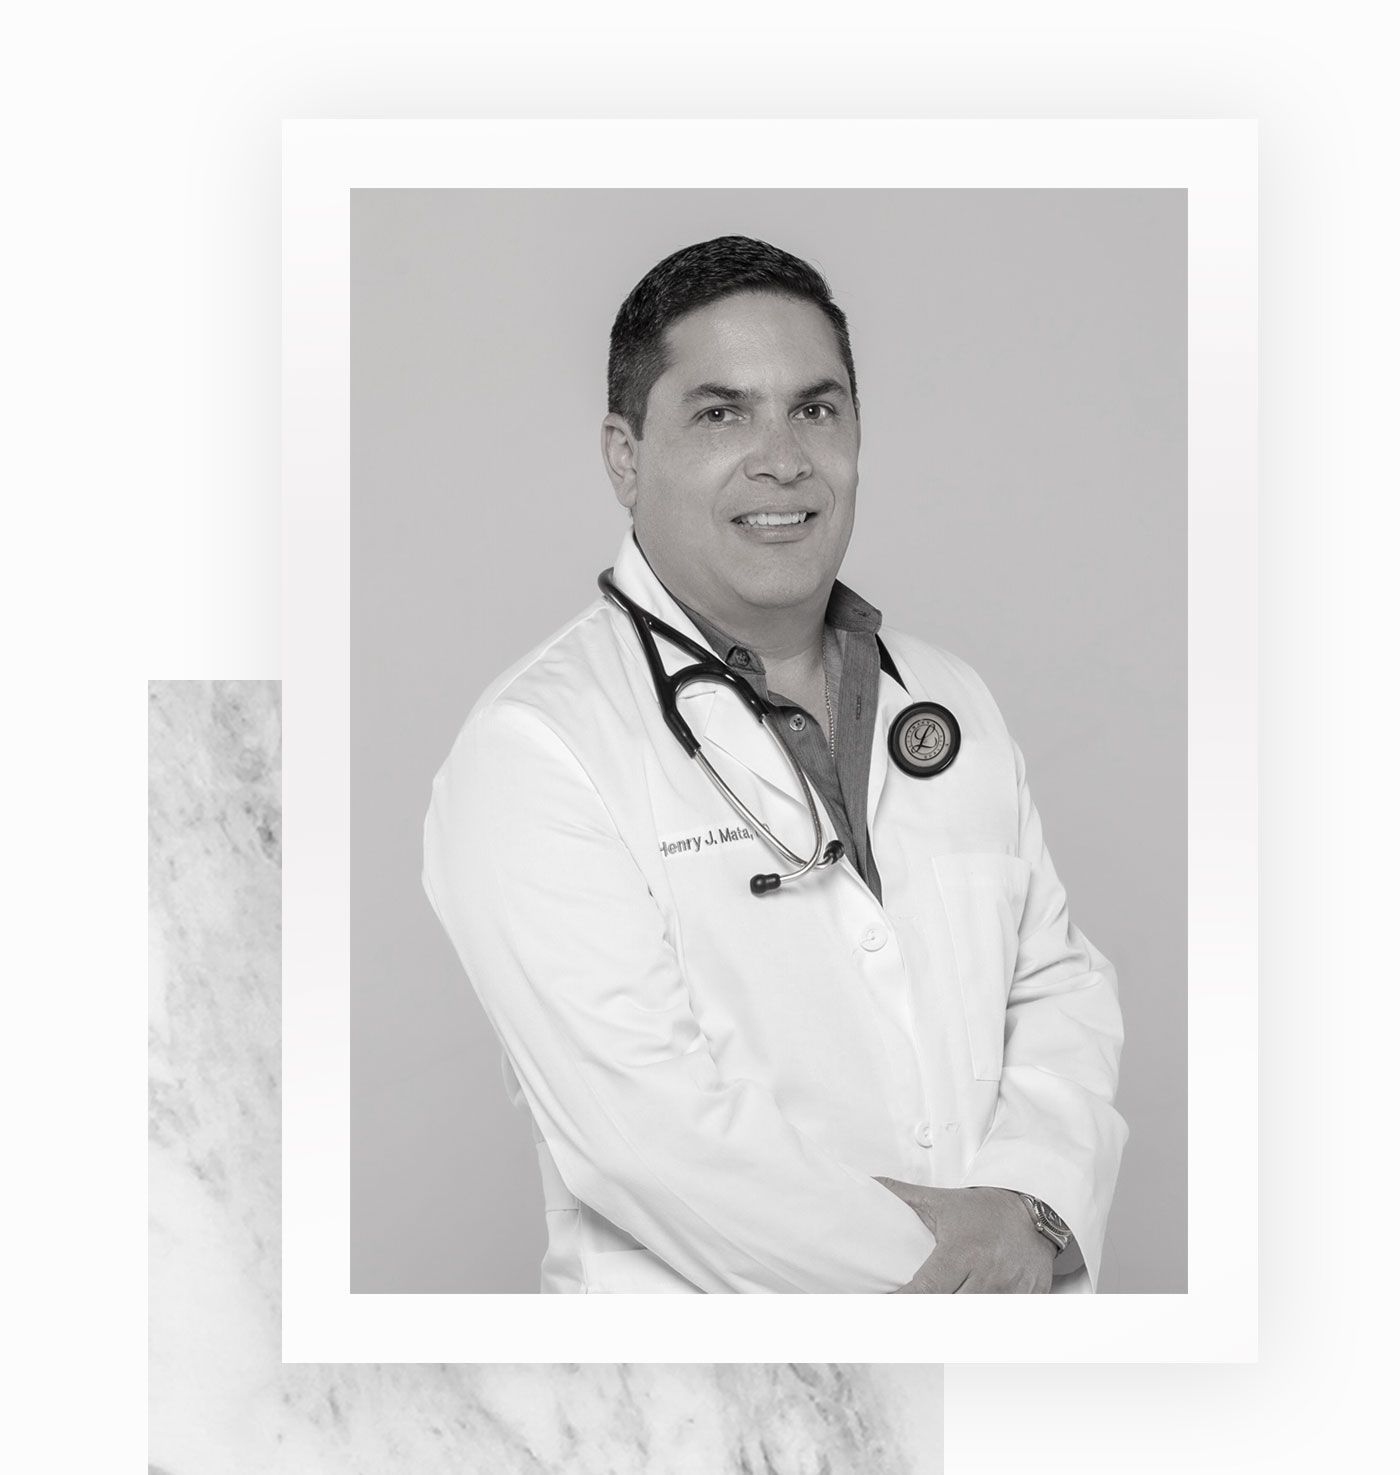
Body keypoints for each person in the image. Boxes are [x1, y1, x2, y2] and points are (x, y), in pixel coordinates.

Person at [422, 235, 1126, 1294]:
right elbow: (649, 1140)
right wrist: (968, 1281)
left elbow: (1055, 986)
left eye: (814, 407)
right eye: (720, 412)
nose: (782, 457)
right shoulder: (536, 748)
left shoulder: (948, 699)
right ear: (624, 455)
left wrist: (1034, 1205)